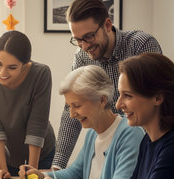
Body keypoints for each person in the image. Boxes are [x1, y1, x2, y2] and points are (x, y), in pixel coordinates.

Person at [56, 53, 174, 179]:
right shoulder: (148, 141)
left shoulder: (170, 149)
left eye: (127, 96)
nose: (119, 104)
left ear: (158, 98)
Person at [53, 0, 162, 170]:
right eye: (78, 40)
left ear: (107, 24)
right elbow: (71, 111)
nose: (85, 46)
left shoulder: (139, 44)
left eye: (89, 36)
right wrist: (57, 166)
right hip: (110, 148)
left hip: (145, 149)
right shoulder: (82, 56)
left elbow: (155, 106)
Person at [20, 65, 144, 179]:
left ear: (102, 100)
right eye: (69, 107)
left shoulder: (130, 133)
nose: (72, 114)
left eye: (77, 106)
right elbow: (75, 172)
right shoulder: (92, 133)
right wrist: (42, 175)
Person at [0, 30, 55, 179]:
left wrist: (31, 172)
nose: (2, 72)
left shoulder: (41, 74)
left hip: (41, 152)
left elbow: (37, 125)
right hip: (6, 154)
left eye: (12, 67)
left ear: (25, 65)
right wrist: (2, 169)